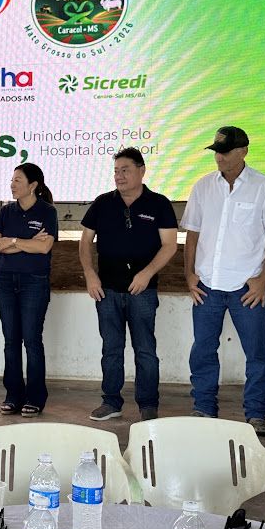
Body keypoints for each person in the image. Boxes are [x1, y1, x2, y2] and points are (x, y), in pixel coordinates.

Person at [180, 127, 265, 438]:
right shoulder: (203, 187)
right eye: (216, 151)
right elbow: (193, 233)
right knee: (202, 349)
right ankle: (203, 407)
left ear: (244, 151)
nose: (219, 157)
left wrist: (263, 279)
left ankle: (255, 414)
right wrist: (189, 274)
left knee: (257, 352)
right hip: (207, 286)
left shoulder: (264, 187)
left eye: (224, 152)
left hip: (246, 288)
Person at [80, 147, 178, 422]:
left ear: (142, 170)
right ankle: (111, 401)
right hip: (106, 290)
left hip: (142, 291)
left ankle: (148, 404)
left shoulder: (159, 204)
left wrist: (146, 274)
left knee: (145, 349)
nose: (119, 176)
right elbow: (85, 241)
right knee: (111, 348)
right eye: (116, 171)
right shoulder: (102, 203)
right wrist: (90, 274)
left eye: (125, 170)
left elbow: (170, 246)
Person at [0, 163, 58, 417]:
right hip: (5, 280)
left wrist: (14, 241)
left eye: (18, 180)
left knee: (31, 340)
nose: (12, 184)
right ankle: (13, 394)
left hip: (34, 281)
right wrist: (24, 243)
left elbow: (44, 248)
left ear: (33, 185)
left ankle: (36, 396)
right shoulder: (6, 212)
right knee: (11, 340)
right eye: (12, 180)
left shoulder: (47, 212)